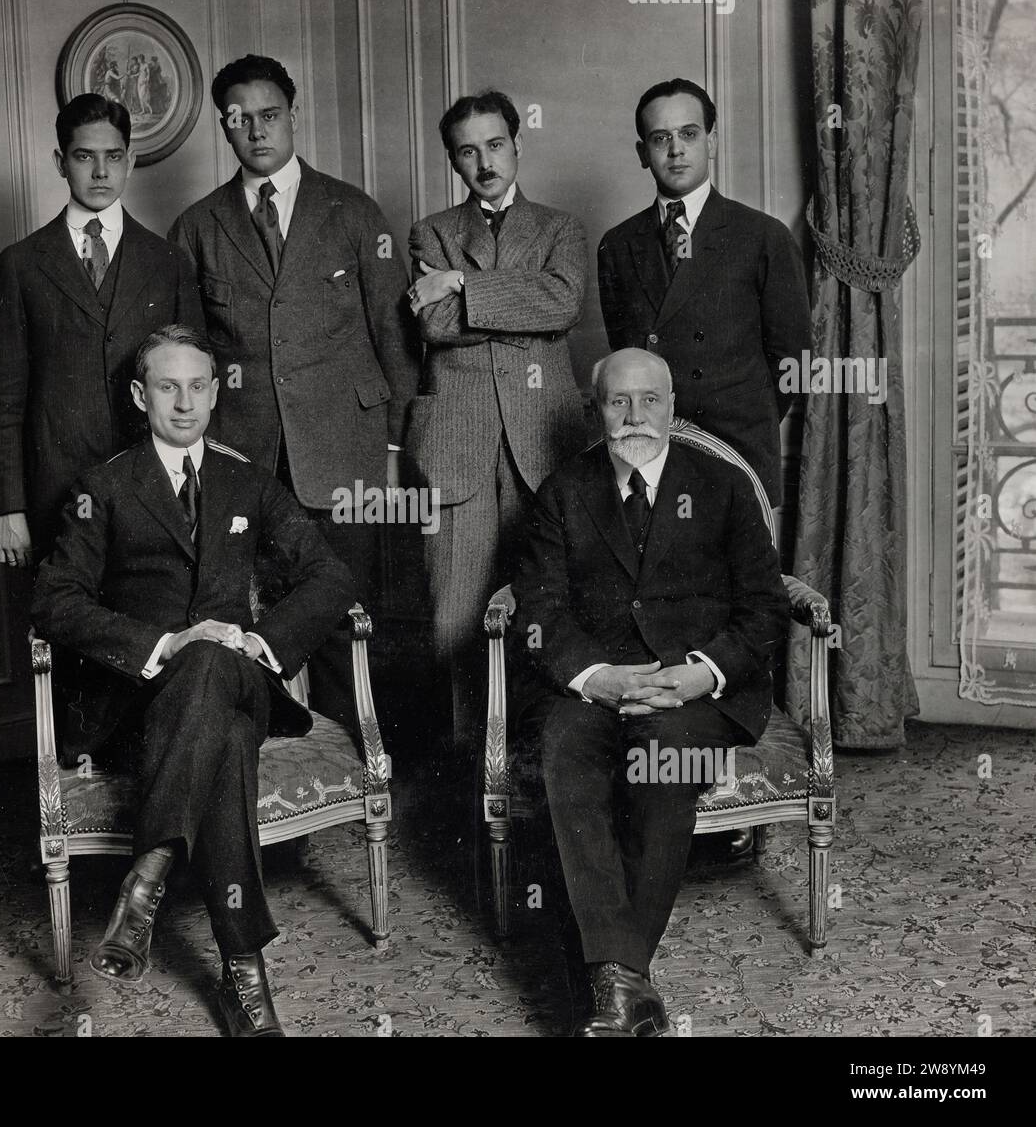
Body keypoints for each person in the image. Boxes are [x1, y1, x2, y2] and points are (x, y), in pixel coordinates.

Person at [31, 324, 355, 1038]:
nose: (185, 402)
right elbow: (54, 600)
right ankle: (245, 969)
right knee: (222, 725)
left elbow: (331, 573)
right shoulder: (104, 487)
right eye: (168, 387)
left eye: (198, 386)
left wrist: (260, 640)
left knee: (216, 662)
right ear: (141, 395)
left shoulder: (248, 480)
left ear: (215, 392)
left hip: (241, 675)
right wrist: (165, 643)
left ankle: (146, 880)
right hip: (138, 702)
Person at [513, 348, 789, 1036]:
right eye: (617, 402)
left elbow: (764, 609)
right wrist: (596, 678)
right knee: (564, 745)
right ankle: (626, 986)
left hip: (697, 690)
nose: (634, 416)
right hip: (597, 686)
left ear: (672, 406)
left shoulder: (722, 487)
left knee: (667, 753)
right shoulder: (563, 491)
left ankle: (612, 978)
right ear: (595, 408)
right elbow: (538, 609)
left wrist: (700, 672)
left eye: (650, 400)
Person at [169, 54, 418, 727]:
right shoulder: (196, 227)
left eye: (269, 115)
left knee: (339, 610)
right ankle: (272, 764)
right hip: (244, 454)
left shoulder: (354, 211)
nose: (256, 130)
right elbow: (186, 356)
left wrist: (394, 449)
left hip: (347, 451)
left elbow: (395, 339)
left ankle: (348, 756)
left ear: (293, 115)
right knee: (246, 616)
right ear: (224, 127)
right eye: (239, 119)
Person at [406, 89, 586, 757]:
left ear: (518, 144)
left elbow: (563, 301)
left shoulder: (561, 228)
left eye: (495, 144)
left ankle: (547, 758)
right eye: (467, 150)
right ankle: (467, 768)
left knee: (549, 605)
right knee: (456, 613)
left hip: (546, 439)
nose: (484, 160)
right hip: (458, 443)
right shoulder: (430, 231)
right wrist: (499, 304)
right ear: (453, 159)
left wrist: (460, 284)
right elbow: (434, 324)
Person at [0, 93, 202, 565]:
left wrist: (194, 486)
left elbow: (194, 387)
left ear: (131, 160)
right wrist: (9, 505)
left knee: (149, 634)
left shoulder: (167, 262)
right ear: (61, 162)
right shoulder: (21, 265)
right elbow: (2, 398)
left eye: (113, 157)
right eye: (85, 157)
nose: (100, 172)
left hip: (154, 490)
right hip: (54, 496)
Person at [597, 78, 809, 508]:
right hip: (651, 451)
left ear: (711, 142)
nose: (676, 150)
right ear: (643, 153)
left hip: (738, 451)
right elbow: (626, 356)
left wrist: (744, 413)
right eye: (661, 138)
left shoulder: (762, 236)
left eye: (689, 134)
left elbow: (793, 361)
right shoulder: (617, 245)